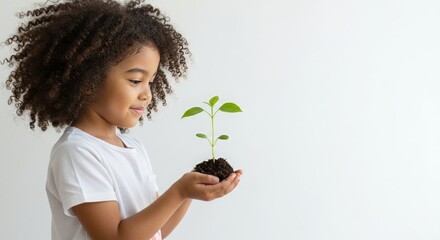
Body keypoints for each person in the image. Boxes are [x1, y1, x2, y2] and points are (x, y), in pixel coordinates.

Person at [2, 0, 243, 239]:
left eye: (151, 81)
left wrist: (190, 189)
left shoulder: (134, 149)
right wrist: (179, 191)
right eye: (136, 81)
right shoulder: (77, 153)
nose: (147, 94)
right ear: (88, 80)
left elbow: (154, 231)